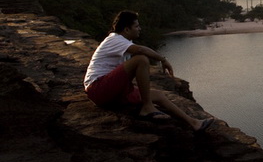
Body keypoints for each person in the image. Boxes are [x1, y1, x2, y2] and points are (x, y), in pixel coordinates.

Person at [84, 10, 213, 132]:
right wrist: (163, 59)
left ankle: (194, 123)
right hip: (98, 88)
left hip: (111, 92)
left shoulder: (124, 42)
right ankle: (147, 107)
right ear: (126, 29)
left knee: (159, 95)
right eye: (136, 26)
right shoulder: (115, 39)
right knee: (141, 59)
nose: (139, 29)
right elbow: (141, 51)